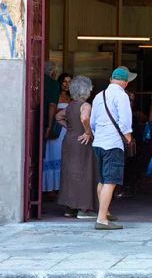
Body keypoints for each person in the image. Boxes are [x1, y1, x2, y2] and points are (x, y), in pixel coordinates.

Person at [90, 66, 136, 230]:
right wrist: (128, 137)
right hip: (113, 143)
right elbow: (125, 120)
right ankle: (102, 219)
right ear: (125, 82)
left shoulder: (98, 96)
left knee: (102, 179)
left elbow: (92, 122)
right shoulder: (121, 96)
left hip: (99, 142)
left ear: (111, 79)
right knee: (110, 181)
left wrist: (98, 134)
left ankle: (105, 212)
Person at [56, 75, 98, 219]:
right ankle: (83, 209)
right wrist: (87, 131)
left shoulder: (70, 105)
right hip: (82, 142)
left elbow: (58, 117)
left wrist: (70, 128)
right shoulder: (85, 105)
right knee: (84, 172)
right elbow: (84, 117)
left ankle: (70, 209)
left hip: (69, 141)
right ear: (86, 90)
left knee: (70, 173)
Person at [43, 72, 72, 195]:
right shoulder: (55, 95)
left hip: (67, 130)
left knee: (63, 158)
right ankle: (50, 188)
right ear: (60, 83)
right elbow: (51, 110)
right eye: (64, 81)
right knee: (54, 156)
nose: (66, 84)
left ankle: (61, 187)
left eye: (69, 82)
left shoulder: (72, 98)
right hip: (56, 130)